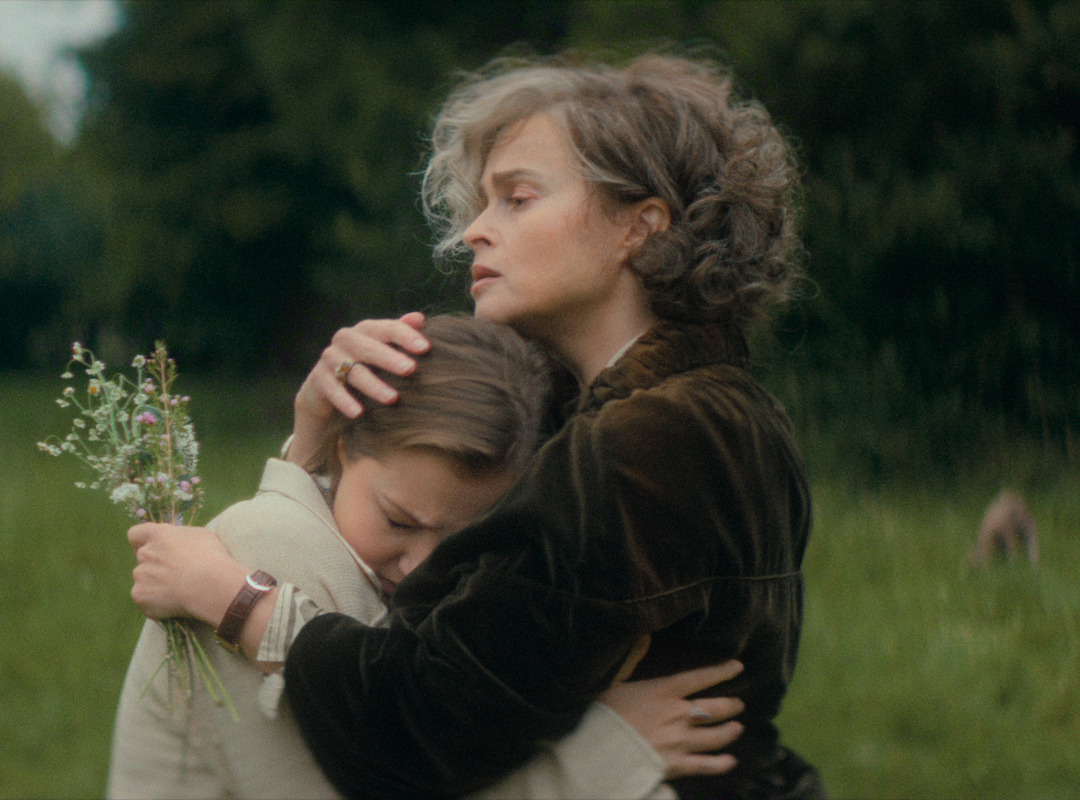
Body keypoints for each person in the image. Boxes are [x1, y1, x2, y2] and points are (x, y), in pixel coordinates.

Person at [131, 50, 823, 799]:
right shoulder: (692, 410)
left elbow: (418, 729)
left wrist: (234, 598)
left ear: (640, 228)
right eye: (483, 203)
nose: (474, 233)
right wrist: (317, 438)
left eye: (517, 198)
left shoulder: (650, 441)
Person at [115, 314, 746, 800]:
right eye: (399, 521)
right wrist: (601, 754)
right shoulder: (264, 549)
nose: (421, 567)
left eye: (464, 544)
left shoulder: (344, 540)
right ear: (342, 451)